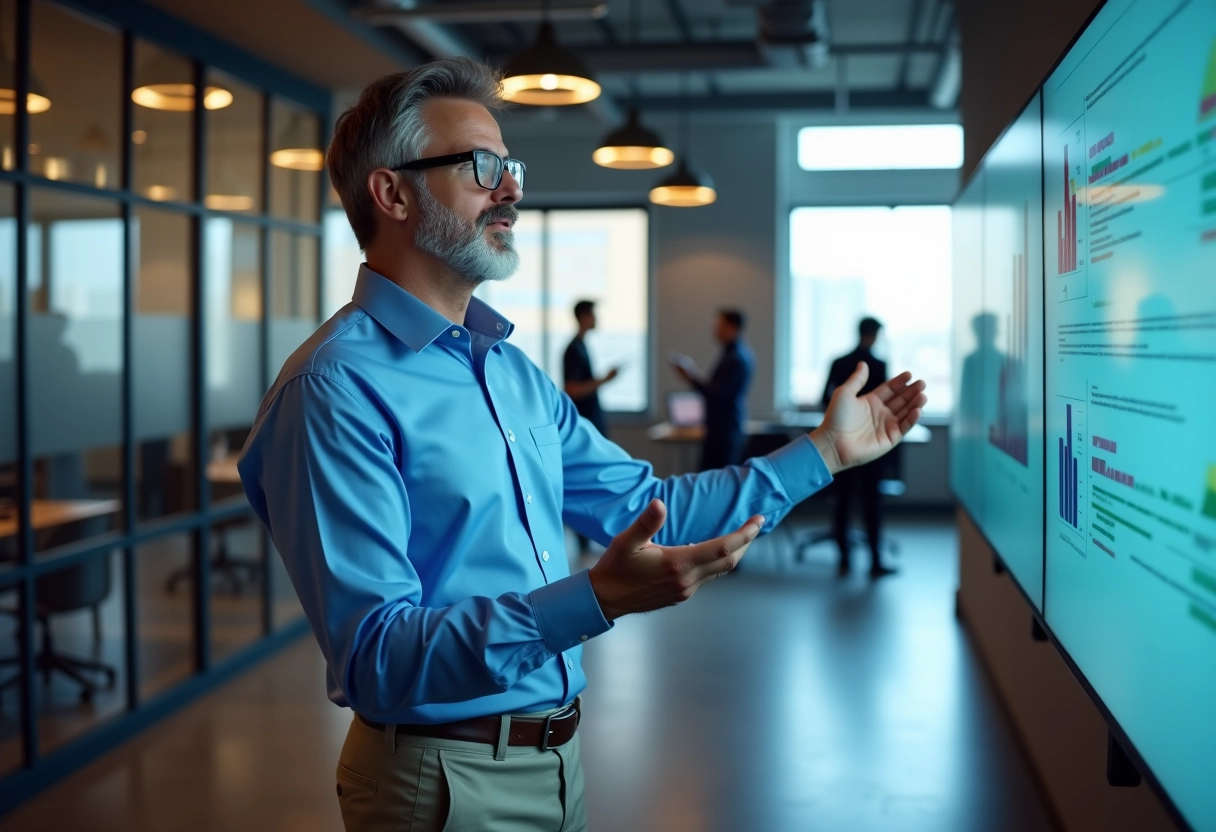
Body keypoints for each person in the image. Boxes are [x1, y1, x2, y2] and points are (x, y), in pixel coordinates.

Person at [238, 58, 927, 832]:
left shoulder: (510, 373)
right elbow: (377, 658)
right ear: (392, 193)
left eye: (511, 167)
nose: (513, 190)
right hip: (440, 783)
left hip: (557, 762)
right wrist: (591, 600)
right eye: (482, 167)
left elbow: (649, 506)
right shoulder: (333, 389)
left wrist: (825, 453)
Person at [822, 317, 896, 579]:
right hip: (869, 445)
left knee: (841, 500)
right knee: (871, 503)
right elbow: (884, 407)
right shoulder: (879, 365)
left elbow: (824, 400)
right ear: (875, 335)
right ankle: (875, 561)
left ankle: (843, 560)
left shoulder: (839, 362)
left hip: (841, 441)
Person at [672, 310, 754, 471]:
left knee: (717, 482)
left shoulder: (736, 358)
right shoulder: (734, 354)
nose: (715, 329)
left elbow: (718, 395)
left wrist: (691, 376)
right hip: (722, 429)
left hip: (724, 432)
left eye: (720, 325)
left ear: (733, 327)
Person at [562, 299, 617, 437]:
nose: (596, 319)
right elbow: (571, 389)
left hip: (589, 419)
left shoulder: (581, 346)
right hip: (583, 421)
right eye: (593, 314)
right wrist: (604, 379)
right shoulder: (574, 350)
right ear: (583, 317)